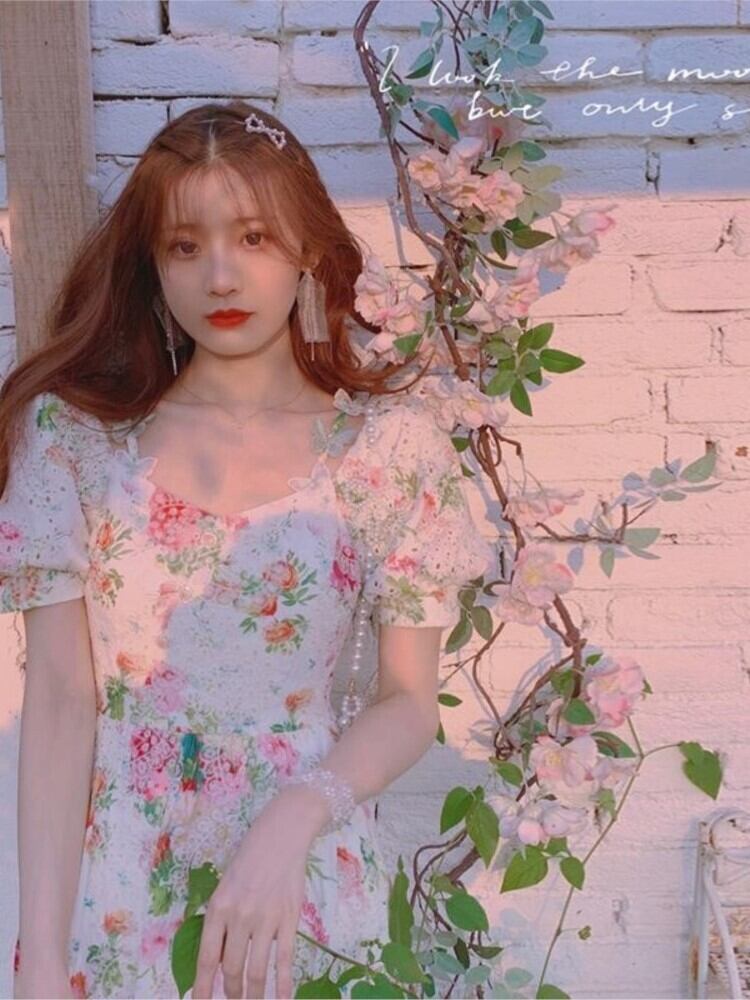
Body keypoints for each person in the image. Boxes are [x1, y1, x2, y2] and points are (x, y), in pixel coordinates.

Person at [0, 101, 494, 999]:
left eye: (254, 237)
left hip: (301, 882)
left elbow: (408, 701)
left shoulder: (387, 449)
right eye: (186, 246)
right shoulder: (75, 443)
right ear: (153, 265)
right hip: (120, 888)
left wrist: (295, 817)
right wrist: (39, 957)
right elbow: (64, 702)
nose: (221, 275)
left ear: (306, 248)